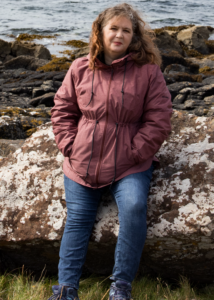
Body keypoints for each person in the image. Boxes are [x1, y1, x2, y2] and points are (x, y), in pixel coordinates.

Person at [49, 3, 172, 300]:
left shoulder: (149, 72)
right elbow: (62, 110)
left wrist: (134, 152)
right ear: (100, 32)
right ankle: (66, 289)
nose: (119, 35)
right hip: (82, 162)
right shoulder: (79, 68)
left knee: (132, 208)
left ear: (134, 36)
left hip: (129, 164)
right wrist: (69, 145)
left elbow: (159, 119)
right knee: (78, 218)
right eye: (113, 28)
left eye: (126, 30)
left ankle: (120, 287)